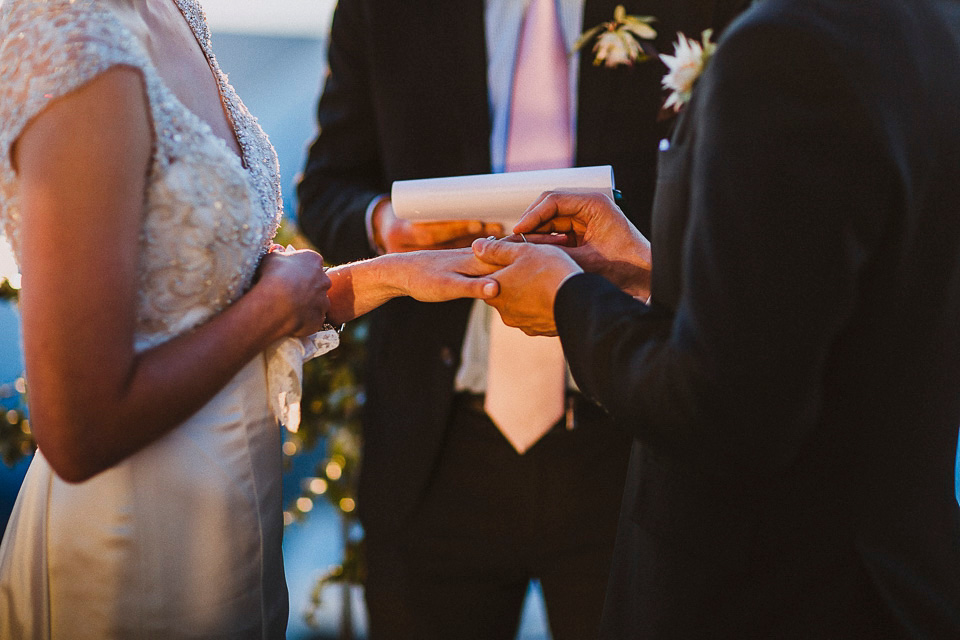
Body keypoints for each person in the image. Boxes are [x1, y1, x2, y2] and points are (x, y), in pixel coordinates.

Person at [0, 0, 499, 637]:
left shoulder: (175, 9)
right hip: (136, 539)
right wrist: (268, 311)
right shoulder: (71, 35)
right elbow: (78, 429)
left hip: (233, 515)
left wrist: (396, 275)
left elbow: (216, 299)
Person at [471, 0, 960, 636]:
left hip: (776, 591)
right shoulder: (932, 24)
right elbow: (835, 296)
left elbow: (722, 406)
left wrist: (569, 303)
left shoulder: (787, 50)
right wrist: (655, 270)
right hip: (902, 576)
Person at [296, 0, 747, 637]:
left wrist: (647, 265)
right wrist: (388, 228)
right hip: (435, 446)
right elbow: (327, 184)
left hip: (627, 443)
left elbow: (736, 205)